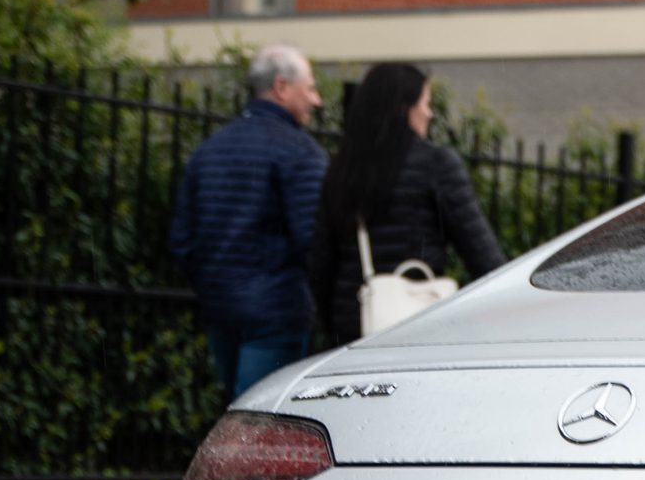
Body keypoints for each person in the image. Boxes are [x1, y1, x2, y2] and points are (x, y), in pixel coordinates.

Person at [307, 62, 507, 346]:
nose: (429, 113)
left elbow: (320, 262)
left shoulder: (343, 167)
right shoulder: (437, 165)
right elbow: (482, 254)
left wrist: (336, 321)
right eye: (425, 103)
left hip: (355, 321)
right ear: (405, 108)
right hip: (419, 321)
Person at [169, 44, 328, 396]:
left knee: (236, 417)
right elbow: (313, 241)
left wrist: (215, 283)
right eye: (310, 88)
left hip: (220, 308)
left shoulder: (208, 150)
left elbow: (182, 240)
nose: (315, 101)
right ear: (282, 87)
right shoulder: (301, 153)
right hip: (277, 311)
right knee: (261, 425)